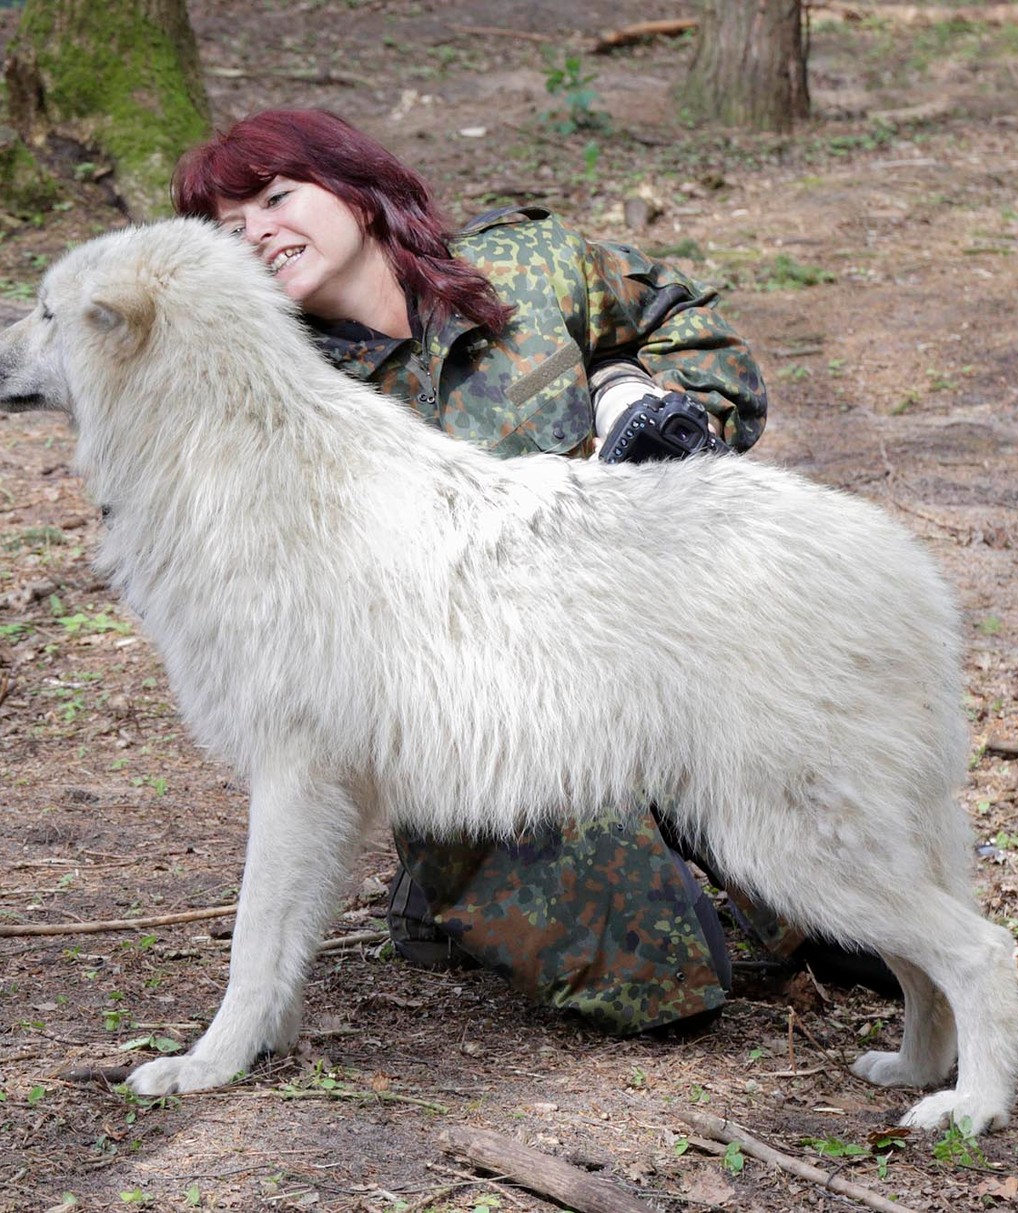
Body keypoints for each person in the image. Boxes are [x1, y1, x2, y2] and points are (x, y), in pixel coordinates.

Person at [170, 108, 884, 1035]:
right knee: (668, 982)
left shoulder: (529, 270)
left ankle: (718, 846)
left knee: (851, 928)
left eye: (276, 197)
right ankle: (447, 892)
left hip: (667, 657)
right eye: (230, 230)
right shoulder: (280, 399)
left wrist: (649, 402)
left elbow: (696, 331)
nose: (258, 233)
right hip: (487, 731)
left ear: (355, 186)